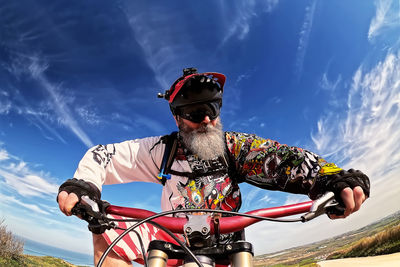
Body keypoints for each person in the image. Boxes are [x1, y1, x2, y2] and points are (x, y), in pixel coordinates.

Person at [57, 68, 370, 266]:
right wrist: (84, 186)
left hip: (226, 246)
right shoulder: (161, 150)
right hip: (168, 236)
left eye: (212, 108)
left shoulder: (235, 147)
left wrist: (333, 178)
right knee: (104, 232)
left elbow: (286, 159)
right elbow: (104, 155)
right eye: (194, 111)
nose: (206, 119)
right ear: (177, 118)